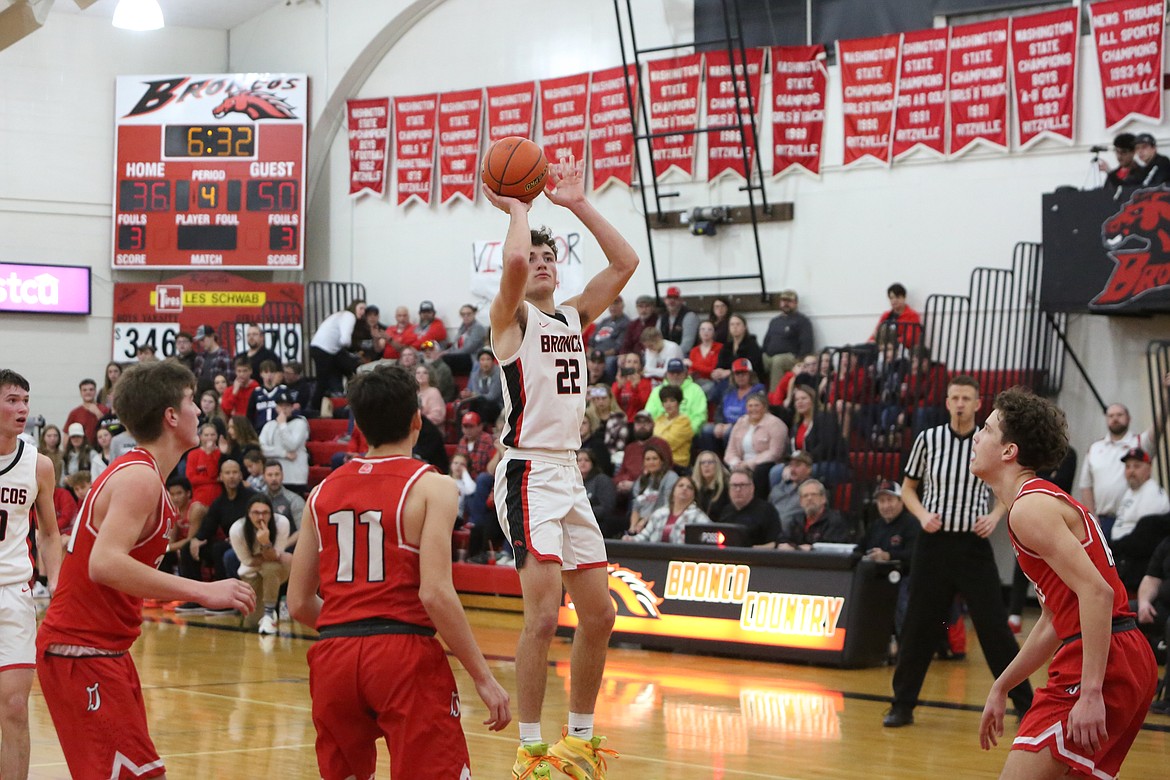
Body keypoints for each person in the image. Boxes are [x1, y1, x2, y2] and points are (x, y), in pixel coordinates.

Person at [483, 152, 634, 777]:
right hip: (525, 473)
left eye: (552, 257)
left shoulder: (574, 315)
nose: (542, 263)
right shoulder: (511, 320)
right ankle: (530, 750)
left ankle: (579, 739)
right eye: (536, 258)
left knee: (599, 613)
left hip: (567, 473)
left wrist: (576, 203)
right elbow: (515, 261)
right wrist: (519, 208)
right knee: (542, 616)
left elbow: (624, 263)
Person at [286, 365, 510, 779]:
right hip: (402, 653)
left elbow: (298, 602)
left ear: (360, 424)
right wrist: (484, 677)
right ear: (416, 420)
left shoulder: (321, 492)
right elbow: (435, 594)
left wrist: (352, 624)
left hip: (334, 652)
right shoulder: (432, 486)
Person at [37, 362, 254, 780]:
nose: (199, 412)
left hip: (104, 651)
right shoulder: (140, 477)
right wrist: (203, 591)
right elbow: (104, 563)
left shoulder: (141, 473)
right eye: (191, 401)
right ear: (171, 416)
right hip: (82, 652)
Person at [972, 388, 1157, 778]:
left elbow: (1097, 592)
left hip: (1101, 658)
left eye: (987, 428)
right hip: (1121, 652)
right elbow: (1056, 619)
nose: (976, 435)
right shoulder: (1038, 503)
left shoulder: (1029, 508)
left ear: (1009, 451)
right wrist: (1002, 686)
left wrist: (1090, 691)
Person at [884, 375, 1032, 729]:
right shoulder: (928, 439)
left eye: (967, 397)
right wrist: (921, 515)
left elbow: (1009, 486)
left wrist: (996, 516)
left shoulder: (990, 441)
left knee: (994, 628)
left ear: (978, 403)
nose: (961, 403)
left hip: (972, 547)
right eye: (955, 397)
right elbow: (907, 489)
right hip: (933, 545)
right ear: (947, 402)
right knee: (919, 626)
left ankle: (1026, 705)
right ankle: (902, 705)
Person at [0, 370, 62, 780]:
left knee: (15, 707)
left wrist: (57, 583)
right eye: (12, 400)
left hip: (13, 594)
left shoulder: (38, 465)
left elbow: (51, 532)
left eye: (26, 400)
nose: (22, 408)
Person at [1077, 377, 1169, 538]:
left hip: (1131, 520)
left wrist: (1166, 395)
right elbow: (1086, 486)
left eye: (1119, 414)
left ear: (1128, 419)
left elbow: (1159, 423)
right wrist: (1092, 518)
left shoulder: (1140, 443)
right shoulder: (1095, 448)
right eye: (1110, 415)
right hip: (1102, 521)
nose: (1115, 418)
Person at [863, 480, 919, 638]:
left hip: (905, 577)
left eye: (890, 500)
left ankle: (905, 643)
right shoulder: (875, 526)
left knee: (901, 598)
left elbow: (915, 555)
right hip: (876, 578)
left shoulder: (912, 524)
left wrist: (888, 556)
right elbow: (859, 549)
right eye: (881, 501)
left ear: (901, 501)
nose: (886, 505)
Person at [229, 494, 291, 633]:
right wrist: (274, 555)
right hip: (251, 573)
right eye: (256, 513)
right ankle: (265, 614)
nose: (261, 517)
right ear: (248, 514)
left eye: (265, 513)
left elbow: (274, 558)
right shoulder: (237, 529)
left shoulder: (281, 523)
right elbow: (247, 561)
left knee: (271, 566)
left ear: (271, 513)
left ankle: (269, 614)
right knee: (251, 624)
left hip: (276, 571)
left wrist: (265, 543)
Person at [724, 392, 788, 499]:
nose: (753, 409)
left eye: (757, 405)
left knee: (761, 471)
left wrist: (749, 464)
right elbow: (731, 449)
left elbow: (775, 453)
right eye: (750, 406)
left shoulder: (775, 424)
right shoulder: (741, 422)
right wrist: (735, 462)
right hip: (741, 462)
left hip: (764, 463)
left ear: (764, 407)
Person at [309, 300, 365, 412]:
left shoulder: (340, 315)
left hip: (320, 347)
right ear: (354, 308)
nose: (363, 312)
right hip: (325, 349)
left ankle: (336, 397)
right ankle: (315, 407)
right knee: (324, 380)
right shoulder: (349, 316)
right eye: (361, 308)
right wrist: (352, 350)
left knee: (335, 373)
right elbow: (345, 340)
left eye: (364, 309)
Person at [624, 476, 710, 543]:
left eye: (689, 487)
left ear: (694, 496)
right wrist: (630, 539)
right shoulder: (659, 513)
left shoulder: (699, 517)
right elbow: (645, 536)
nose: (684, 488)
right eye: (681, 485)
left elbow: (710, 537)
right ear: (673, 492)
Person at [776, 478, 853, 549]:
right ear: (801, 502)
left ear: (823, 498)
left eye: (813, 494)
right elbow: (783, 540)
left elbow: (829, 547)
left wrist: (801, 548)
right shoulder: (796, 520)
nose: (809, 498)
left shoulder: (835, 520)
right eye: (805, 496)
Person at [258, 389, 309, 494]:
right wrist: (284, 453)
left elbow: (292, 445)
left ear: (292, 407)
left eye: (287, 406)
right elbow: (261, 448)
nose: (284, 409)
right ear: (276, 408)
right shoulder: (269, 425)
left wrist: (282, 425)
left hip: (296, 478)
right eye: (281, 406)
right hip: (275, 477)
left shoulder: (300, 423)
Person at [761, 289, 814, 391]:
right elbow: (766, 341)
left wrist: (801, 360)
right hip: (770, 356)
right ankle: (756, 394)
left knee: (778, 361)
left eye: (789, 301)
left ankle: (774, 399)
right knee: (757, 359)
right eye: (783, 301)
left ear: (796, 303)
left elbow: (807, 344)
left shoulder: (802, 321)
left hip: (791, 357)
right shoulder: (774, 321)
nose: (786, 304)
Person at [718, 465, 781, 547]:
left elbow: (776, 544)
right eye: (734, 485)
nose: (738, 490)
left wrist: (752, 551)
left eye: (742, 485)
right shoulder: (726, 511)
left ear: (752, 487)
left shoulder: (767, 511)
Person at [644, 358, 707, 436]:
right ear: (666, 374)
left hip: (686, 433)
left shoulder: (696, 390)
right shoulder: (657, 391)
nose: (675, 375)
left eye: (678, 373)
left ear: (685, 373)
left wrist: (686, 432)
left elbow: (699, 417)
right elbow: (649, 415)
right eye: (672, 373)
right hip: (660, 433)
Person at [767, 450, 814, 530]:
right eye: (790, 465)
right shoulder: (778, 488)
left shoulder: (812, 491)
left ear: (809, 469)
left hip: (791, 534)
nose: (792, 469)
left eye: (797, 465)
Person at [650, 384, 694, 467]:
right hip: (657, 462)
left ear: (678, 402)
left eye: (672, 400)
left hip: (676, 464)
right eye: (665, 401)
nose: (668, 404)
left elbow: (668, 444)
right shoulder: (659, 419)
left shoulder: (684, 422)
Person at [439, 303, 487, 375]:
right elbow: (455, 345)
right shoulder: (463, 327)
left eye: (468, 314)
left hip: (472, 357)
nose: (466, 316)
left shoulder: (478, 328)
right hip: (461, 356)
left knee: (446, 359)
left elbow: (468, 349)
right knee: (437, 358)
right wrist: (444, 352)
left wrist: (448, 353)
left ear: (474, 314)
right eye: (463, 314)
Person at [459, 348, 503, 425]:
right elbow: (476, 393)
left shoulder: (498, 374)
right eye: (482, 360)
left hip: (496, 405)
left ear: (493, 361)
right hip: (480, 403)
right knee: (473, 403)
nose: (485, 362)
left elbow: (492, 396)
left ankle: (479, 426)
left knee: (481, 403)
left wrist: (473, 395)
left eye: (488, 359)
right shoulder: (475, 375)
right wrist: (469, 394)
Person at [578, 449, 617, 535]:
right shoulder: (573, 482)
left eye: (587, 460)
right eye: (579, 460)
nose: (582, 463)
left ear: (593, 463)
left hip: (598, 526)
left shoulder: (602, 480)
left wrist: (581, 513)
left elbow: (606, 508)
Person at [589, 296, 629, 378]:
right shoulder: (604, 321)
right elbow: (591, 341)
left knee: (609, 361)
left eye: (616, 304)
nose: (613, 307)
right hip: (595, 354)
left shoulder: (625, 323)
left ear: (622, 306)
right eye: (610, 304)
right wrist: (590, 354)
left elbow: (617, 347)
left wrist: (601, 355)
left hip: (608, 355)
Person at [64, 378, 108, 446]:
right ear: (80, 393)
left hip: (102, 448)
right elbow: (67, 434)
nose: (88, 392)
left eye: (91, 389)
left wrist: (97, 413)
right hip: (82, 450)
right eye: (84, 390)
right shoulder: (74, 413)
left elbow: (109, 429)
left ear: (95, 391)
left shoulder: (105, 410)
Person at [193, 324, 233, 396]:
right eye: (199, 341)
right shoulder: (199, 358)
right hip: (201, 397)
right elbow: (195, 379)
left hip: (218, 397)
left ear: (212, 336)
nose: (201, 343)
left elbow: (229, 380)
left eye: (203, 339)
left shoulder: (224, 356)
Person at [611, 351, 652, 420]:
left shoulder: (645, 383)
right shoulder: (617, 383)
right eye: (629, 361)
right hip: (620, 420)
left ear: (640, 366)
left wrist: (635, 388)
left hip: (637, 421)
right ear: (625, 365)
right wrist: (619, 387)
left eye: (635, 362)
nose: (632, 364)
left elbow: (644, 404)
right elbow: (612, 403)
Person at [658, 286, 698, 353]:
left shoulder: (689, 316)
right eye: (669, 298)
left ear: (681, 301)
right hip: (665, 354)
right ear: (665, 300)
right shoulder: (661, 318)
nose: (672, 301)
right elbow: (657, 339)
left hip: (685, 355)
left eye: (675, 298)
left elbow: (687, 345)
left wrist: (672, 355)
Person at [688, 320, 722, 396]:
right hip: (696, 382)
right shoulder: (694, 350)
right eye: (702, 329)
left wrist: (693, 364)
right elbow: (691, 372)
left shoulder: (719, 348)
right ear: (699, 332)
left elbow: (712, 370)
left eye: (709, 329)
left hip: (713, 382)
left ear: (714, 332)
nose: (706, 332)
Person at [692, 450, 730, 519]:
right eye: (702, 463)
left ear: (717, 465)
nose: (706, 465)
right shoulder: (695, 488)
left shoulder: (725, 487)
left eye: (710, 462)